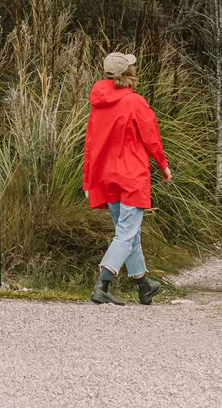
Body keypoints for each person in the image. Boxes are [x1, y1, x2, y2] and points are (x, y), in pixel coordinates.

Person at [83, 52, 171, 306]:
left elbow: (90, 144)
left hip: (106, 177)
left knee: (129, 233)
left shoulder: (98, 104)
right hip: (131, 176)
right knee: (125, 233)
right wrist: (163, 166)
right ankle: (103, 283)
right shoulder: (135, 102)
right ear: (129, 73)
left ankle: (143, 286)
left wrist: (88, 179)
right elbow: (151, 137)